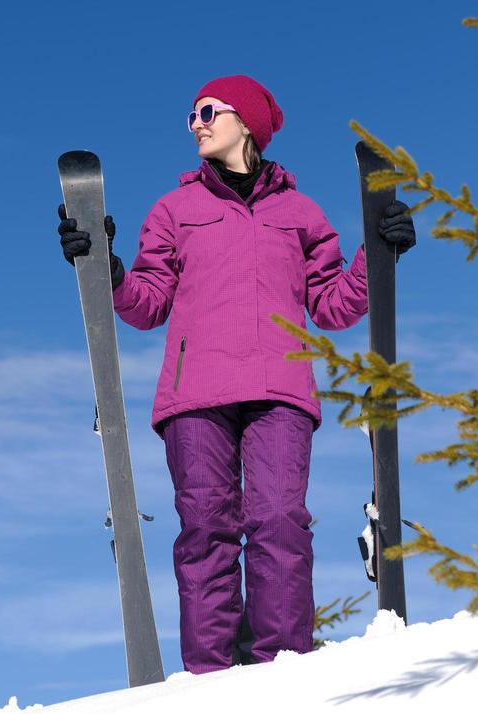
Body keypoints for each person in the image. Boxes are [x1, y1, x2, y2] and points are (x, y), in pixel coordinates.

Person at [56, 74, 416, 674]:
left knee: (280, 523)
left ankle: (284, 671)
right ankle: (210, 678)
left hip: (281, 391)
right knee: (205, 532)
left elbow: (332, 305)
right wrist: (106, 268)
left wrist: (375, 255)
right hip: (194, 394)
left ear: (245, 121)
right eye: (191, 115)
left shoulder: (300, 213)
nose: (195, 124)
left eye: (206, 111)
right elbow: (147, 304)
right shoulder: (176, 210)